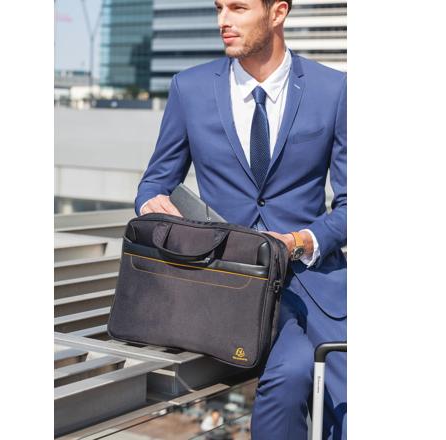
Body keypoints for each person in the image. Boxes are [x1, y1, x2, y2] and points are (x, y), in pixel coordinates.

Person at [135, 0, 347, 438]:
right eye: (219, 8)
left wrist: (301, 240)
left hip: (316, 283)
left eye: (237, 8)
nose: (223, 21)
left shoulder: (335, 90)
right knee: (292, 374)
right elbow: (155, 181)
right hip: (230, 284)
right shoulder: (189, 88)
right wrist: (150, 204)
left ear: (278, 12)